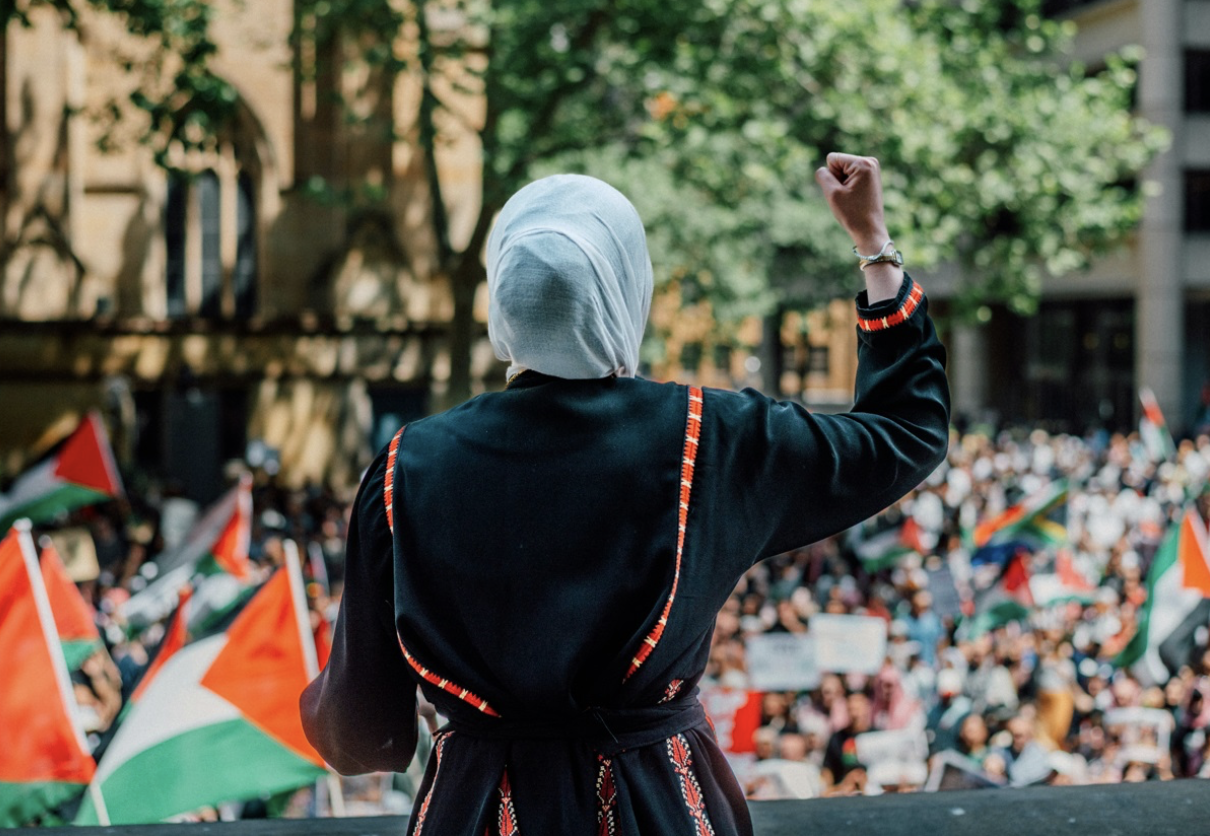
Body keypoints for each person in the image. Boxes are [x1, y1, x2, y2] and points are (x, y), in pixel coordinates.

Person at [300, 153, 950, 835]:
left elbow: (359, 730)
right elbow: (907, 433)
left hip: (476, 809)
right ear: (624, 289)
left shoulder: (408, 463)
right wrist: (873, 244)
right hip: (658, 805)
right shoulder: (710, 437)